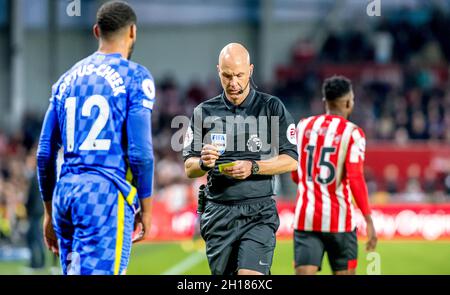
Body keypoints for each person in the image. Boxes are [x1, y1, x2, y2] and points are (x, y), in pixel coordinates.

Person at [36, 1, 155, 275]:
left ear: (96, 31)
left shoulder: (65, 80)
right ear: (133, 32)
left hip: (64, 195)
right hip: (103, 196)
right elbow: (141, 153)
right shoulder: (135, 77)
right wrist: (147, 209)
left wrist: (48, 211)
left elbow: (44, 152)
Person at [183, 43, 298, 275]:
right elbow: (189, 167)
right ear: (218, 71)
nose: (233, 82)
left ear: (250, 70)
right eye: (226, 75)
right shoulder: (203, 111)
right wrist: (204, 162)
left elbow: (292, 159)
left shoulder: (271, 107)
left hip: (259, 212)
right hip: (218, 214)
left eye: (239, 75)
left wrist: (253, 167)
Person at [292, 75, 377, 275]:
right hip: (340, 222)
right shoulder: (353, 133)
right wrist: (369, 220)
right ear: (348, 102)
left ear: (325, 102)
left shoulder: (303, 126)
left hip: (306, 219)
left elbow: (295, 175)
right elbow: (355, 178)